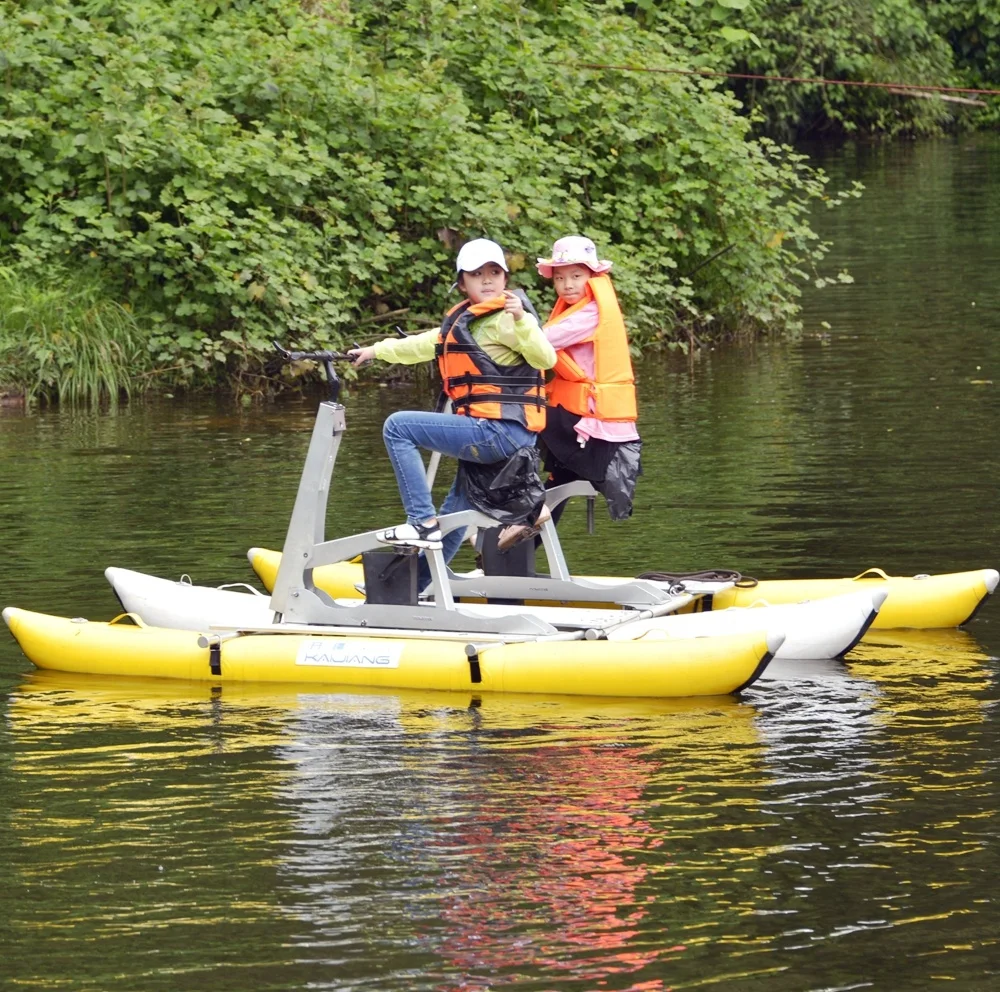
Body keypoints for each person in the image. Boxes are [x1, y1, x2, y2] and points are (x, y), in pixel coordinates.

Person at [347, 238, 556, 581]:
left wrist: (522, 320)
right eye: (477, 274)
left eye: (494, 272)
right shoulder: (465, 322)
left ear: (505, 279)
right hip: (505, 438)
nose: (487, 280)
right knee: (456, 513)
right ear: (462, 283)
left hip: (499, 432)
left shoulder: (508, 319)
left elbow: (546, 358)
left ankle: (420, 521)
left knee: (397, 426)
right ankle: (417, 587)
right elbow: (421, 345)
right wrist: (374, 351)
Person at [497, 235, 641, 550]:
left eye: (576, 276)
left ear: (592, 277)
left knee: (516, 427)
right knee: (556, 483)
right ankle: (515, 555)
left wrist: (498, 335)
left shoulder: (590, 313)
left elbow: (542, 340)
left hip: (590, 426)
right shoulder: (576, 310)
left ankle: (515, 516)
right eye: (560, 278)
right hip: (578, 418)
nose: (568, 285)